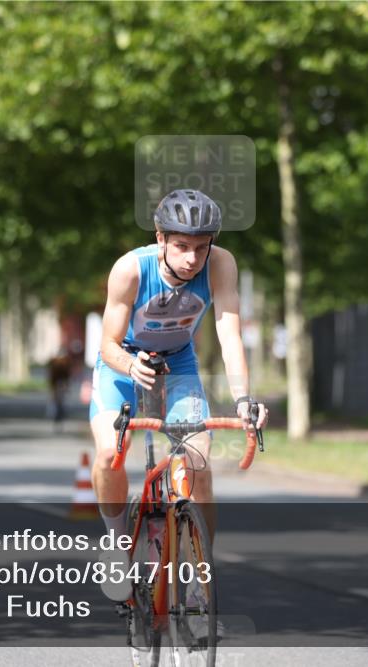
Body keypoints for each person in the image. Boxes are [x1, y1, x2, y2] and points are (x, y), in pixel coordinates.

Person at [89, 188, 269, 547]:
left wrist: (243, 399)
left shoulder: (221, 264)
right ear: (161, 239)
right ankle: (116, 542)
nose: (192, 258)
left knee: (199, 461)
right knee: (111, 454)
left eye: (202, 247)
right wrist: (129, 365)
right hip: (124, 362)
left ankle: (202, 571)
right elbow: (107, 346)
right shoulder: (130, 270)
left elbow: (229, 333)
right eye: (182, 246)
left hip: (178, 361)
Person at [47, 349, 72, 432]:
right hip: (58, 384)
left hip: (59, 384)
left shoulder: (62, 362)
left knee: (58, 402)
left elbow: (66, 375)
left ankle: (58, 416)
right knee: (58, 402)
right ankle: (57, 416)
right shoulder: (63, 362)